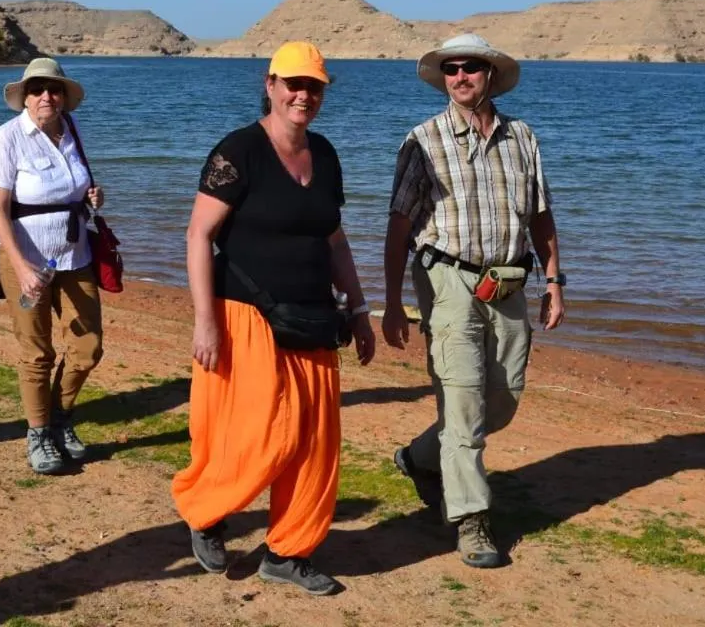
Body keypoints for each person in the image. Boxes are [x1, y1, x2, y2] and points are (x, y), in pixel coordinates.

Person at [173, 41, 376, 596]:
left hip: (313, 318)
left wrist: (358, 309)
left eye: (313, 86)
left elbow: (334, 239)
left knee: (314, 443)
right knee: (256, 435)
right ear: (270, 84)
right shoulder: (239, 151)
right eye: (293, 83)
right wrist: (205, 320)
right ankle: (205, 512)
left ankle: (288, 551)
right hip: (244, 315)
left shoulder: (326, 155)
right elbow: (198, 235)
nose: (302, 95)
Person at [381, 33, 566, 568]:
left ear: (490, 75)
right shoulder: (423, 140)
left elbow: (540, 216)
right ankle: (472, 522)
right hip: (447, 284)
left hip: (508, 282)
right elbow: (399, 227)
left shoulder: (523, 138)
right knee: (462, 406)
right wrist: (392, 301)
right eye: (451, 68)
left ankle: (418, 457)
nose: (460, 76)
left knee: (501, 400)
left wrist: (554, 281)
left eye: (470, 68)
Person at [0, 57, 105, 476]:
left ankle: (59, 416)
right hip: (24, 256)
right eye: (36, 90)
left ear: (64, 97)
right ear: (25, 96)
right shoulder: (7, 138)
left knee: (88, 348)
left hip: (75, 256)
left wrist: (92, 196)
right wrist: (20, 266)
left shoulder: (72, 131)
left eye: (53, 90)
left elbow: (73, 188)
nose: (45, 97)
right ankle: (38, 432)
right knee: (37, 353)